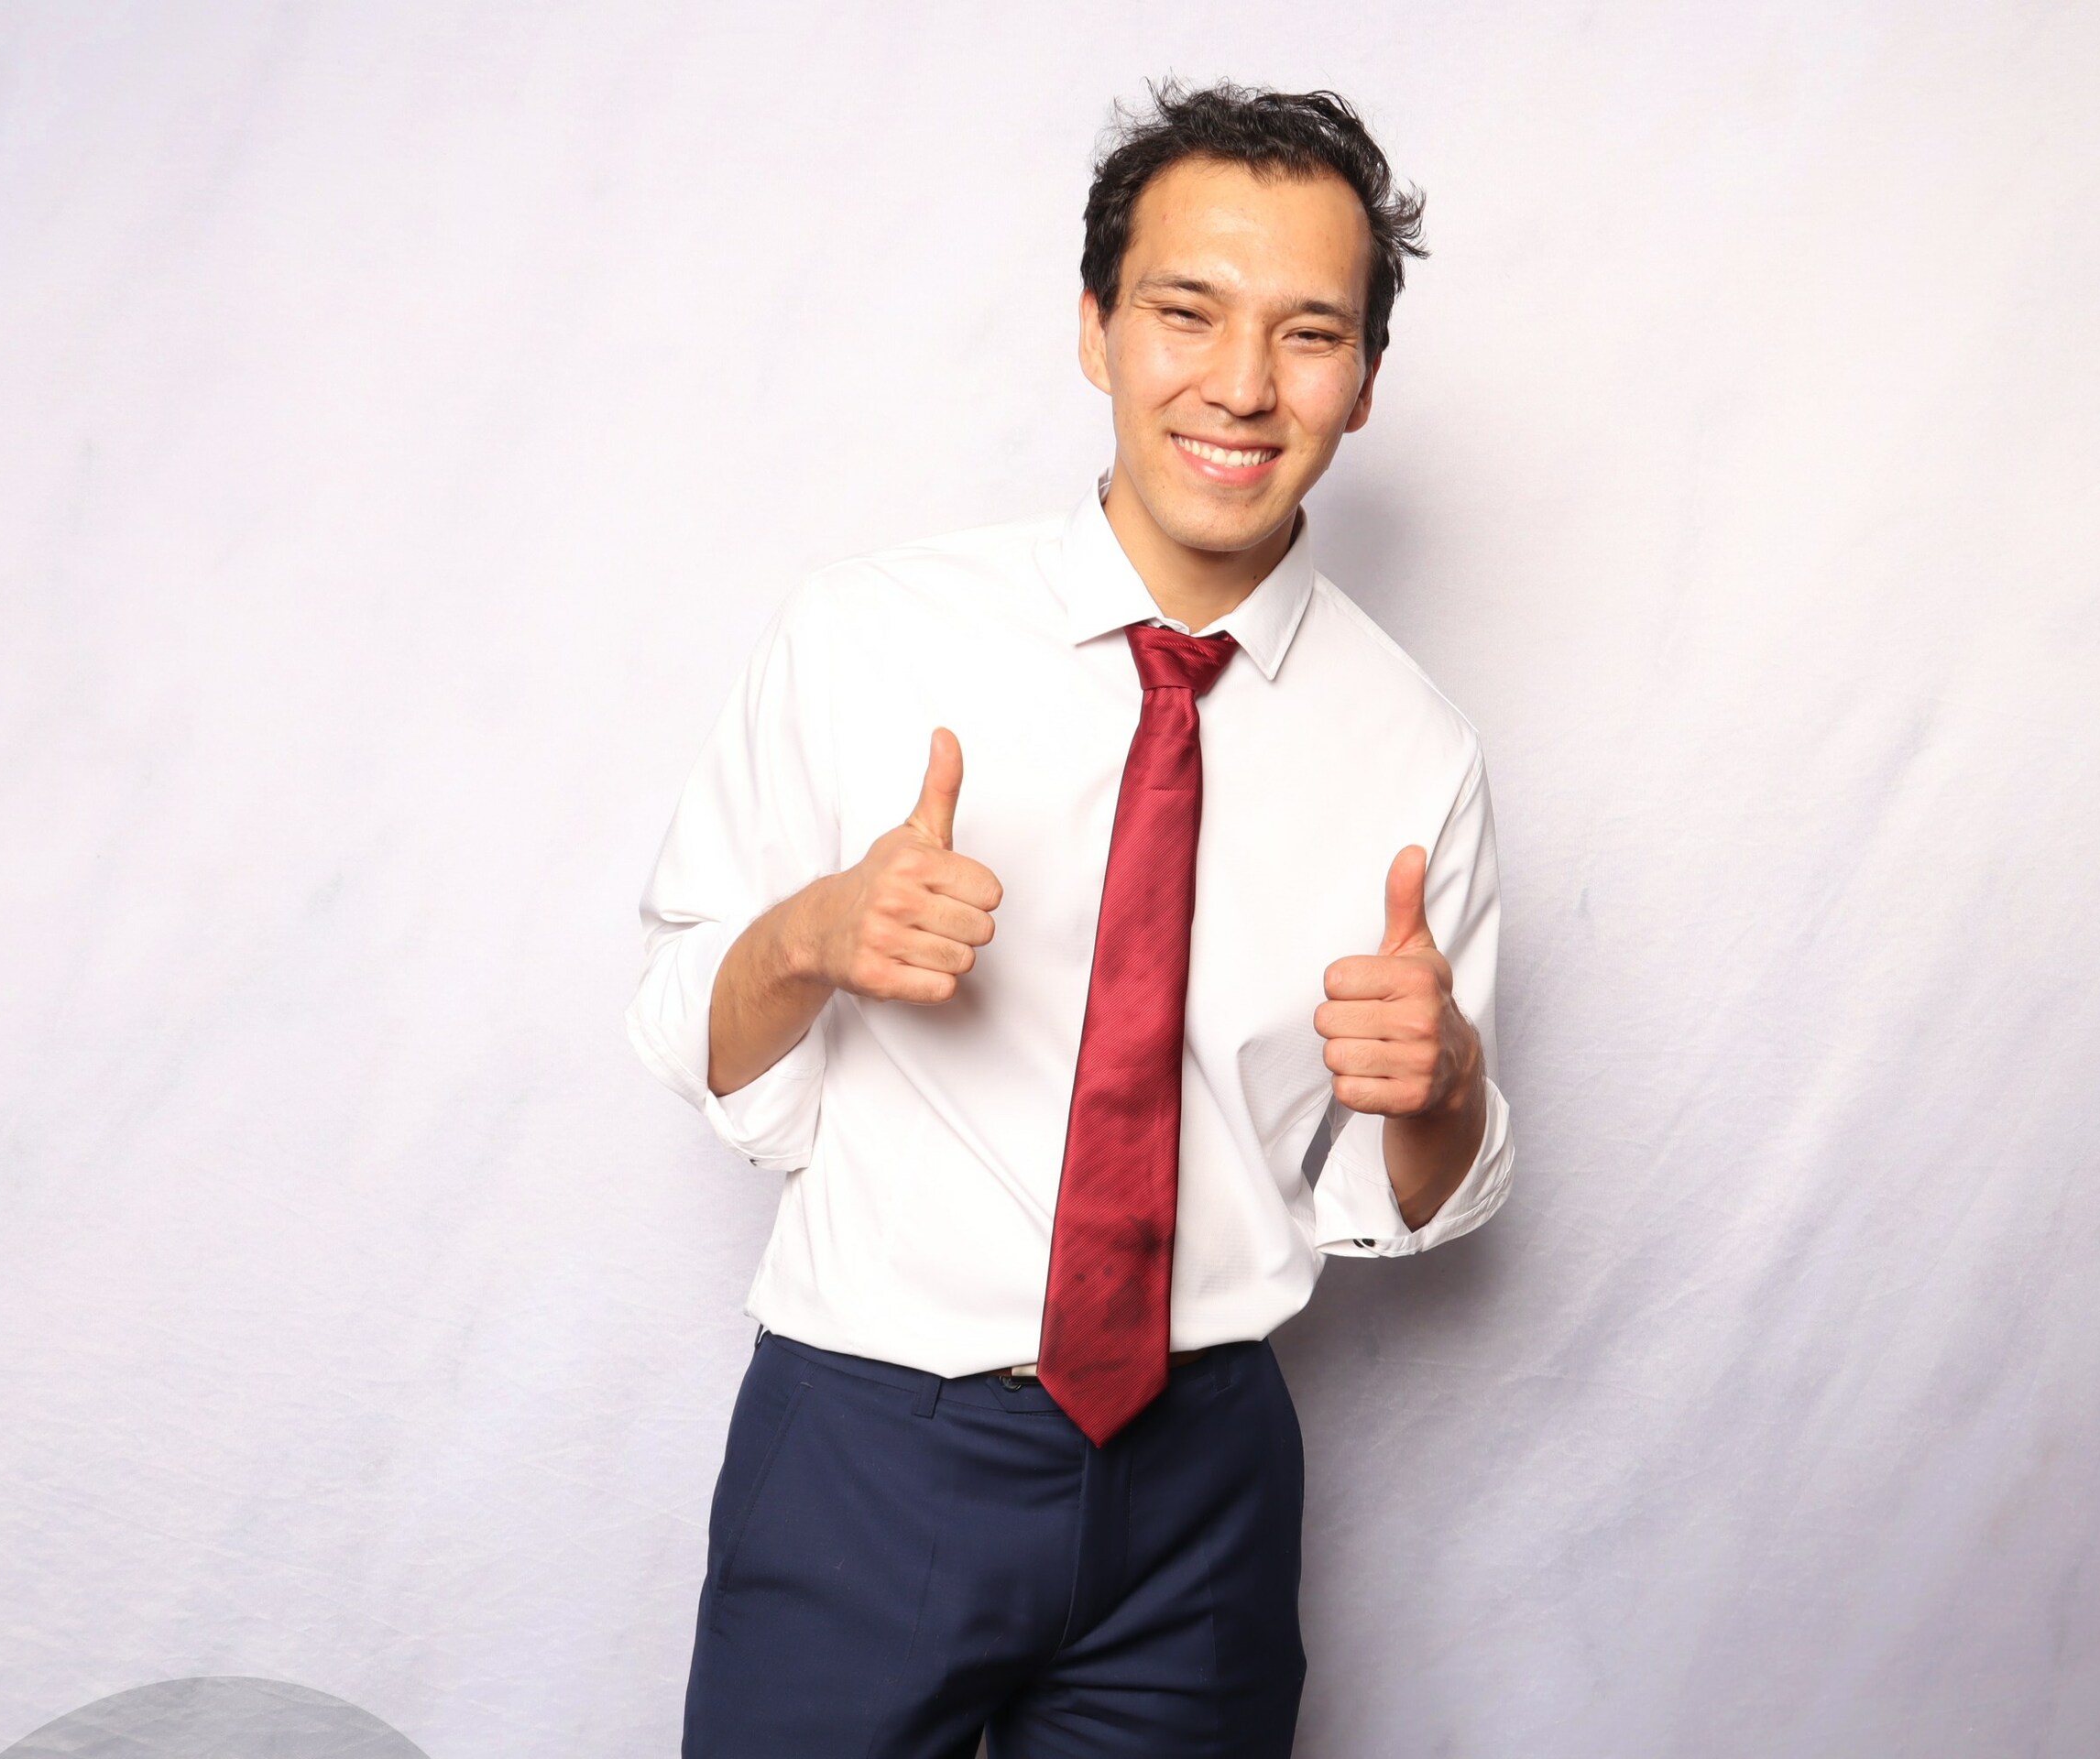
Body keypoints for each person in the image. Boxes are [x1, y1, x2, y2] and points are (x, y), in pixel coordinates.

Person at [629, 80, 1515, 1759]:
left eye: (1309, 333)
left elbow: (1406, 1198)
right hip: (870, 1450)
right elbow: (687, 1026)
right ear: (1095, 328)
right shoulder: (866, 637)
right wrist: (812, 935)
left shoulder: (1415, 749)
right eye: (1187, 311)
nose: (1242, 385)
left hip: (1209, 1485)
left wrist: (1446, 1087)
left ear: (1365, 381)